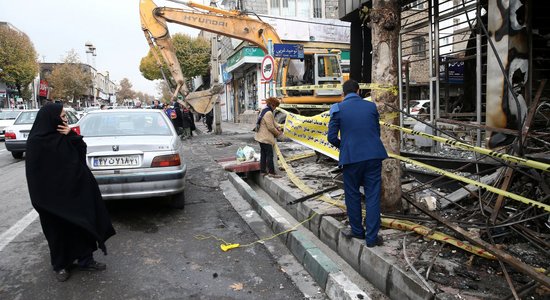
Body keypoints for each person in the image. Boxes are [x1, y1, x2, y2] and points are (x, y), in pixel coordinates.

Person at [25, 103, 116, 282]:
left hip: (74, 193)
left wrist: (72, 135)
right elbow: (34, 175)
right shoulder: (36, 141)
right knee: (58, 232)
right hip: (51, 201)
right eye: (62, 116)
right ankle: (61, 265)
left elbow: (81, 154)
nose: (65, 119)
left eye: (65, 116)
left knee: (81, 226)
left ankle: (85, 260)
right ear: (52, 118)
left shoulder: (65, 135)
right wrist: (41, 201)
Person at [327, 79, 388, 248]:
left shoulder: (337, 108)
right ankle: (372, 238)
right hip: (373, 156)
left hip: (351, 159)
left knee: (352, 194)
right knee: (372, 195)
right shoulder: (370, 106)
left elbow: (331, 137)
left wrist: (345, 147)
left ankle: (357, 231)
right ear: (359, 91)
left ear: (343, 94)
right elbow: (376, 131)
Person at [254, 97, 283, 178]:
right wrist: (278, 133)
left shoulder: (265, 109)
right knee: (269, 155)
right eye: (275, 106)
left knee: (263, 154)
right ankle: (272, 172)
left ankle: (262, 171)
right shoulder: (269, 113)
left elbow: (273, 122)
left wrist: (279, 126)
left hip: (260, 137)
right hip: (265, 138)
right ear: (272, 105)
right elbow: (270, 127)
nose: (275, 108)